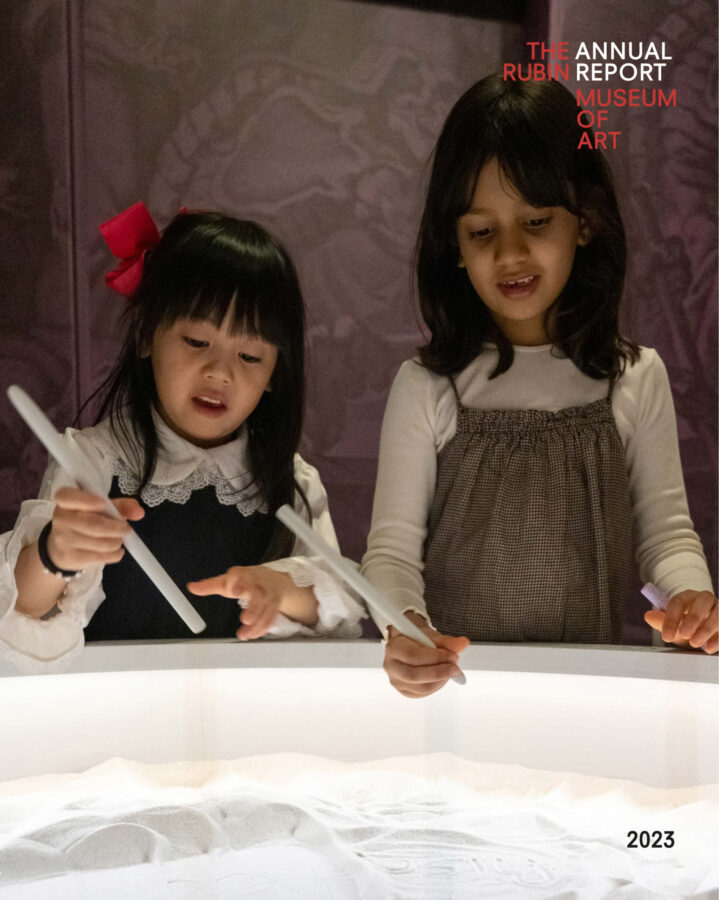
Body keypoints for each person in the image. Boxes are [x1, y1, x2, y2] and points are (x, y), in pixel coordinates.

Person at [361, 74, 718, 698]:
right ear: (453, 244)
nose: (511, 254)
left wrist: (691, 598)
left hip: (591, 694)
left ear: (586, 221)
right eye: (482, 232)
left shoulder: (635, 377)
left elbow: (665, 535)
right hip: (457, 697)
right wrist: (405, 625)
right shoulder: (426, 385)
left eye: (535, 220)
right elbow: (391, 555)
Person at [0, 203, 365, 673]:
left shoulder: (292, 480)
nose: (220, 371)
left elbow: (340, 611)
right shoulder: (93, 460)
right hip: (114, 720)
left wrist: (280, 592)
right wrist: (55, 553)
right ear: (148, 336)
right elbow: (25, 619)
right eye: (197, 342)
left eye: (250, 356)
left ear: (276, 372)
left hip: (243, 724)